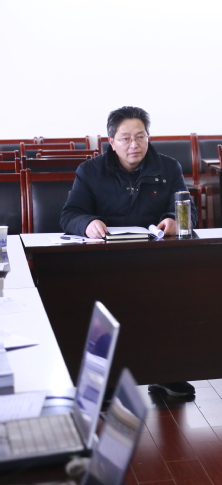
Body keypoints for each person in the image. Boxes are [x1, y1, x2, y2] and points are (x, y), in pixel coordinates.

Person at [60, 106, 198, 398]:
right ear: (112, 142)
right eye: (125, 138)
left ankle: (167, 373)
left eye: (140, 136)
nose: (134, 144)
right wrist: (87, 223)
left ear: (148, 137)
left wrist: (175, 220)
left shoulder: (168, 167)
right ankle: (105, 382)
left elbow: (188, 212)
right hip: (104, 260)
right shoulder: (90, 171)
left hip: (155, 258)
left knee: (174, 295)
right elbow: (69, 215)